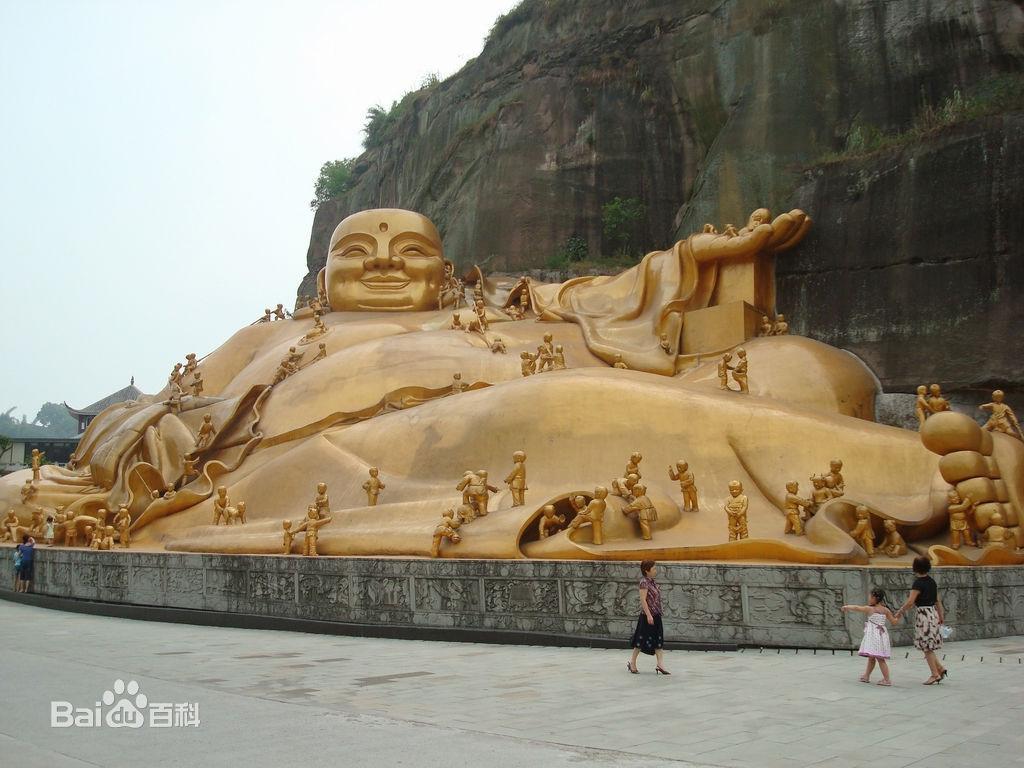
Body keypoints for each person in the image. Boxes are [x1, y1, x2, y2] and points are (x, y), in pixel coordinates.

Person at [895, 556, 947, 685]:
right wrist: (941, 616)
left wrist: (900, 611)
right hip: (932, 613)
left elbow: (910, 601)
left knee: (926, 647)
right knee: (928, 645)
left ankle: (934, 674)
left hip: (923, 615)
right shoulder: (932, 582)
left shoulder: (918, 583)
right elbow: (937, 601)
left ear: (915, 567)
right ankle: (940, 668)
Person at [842, 588, 899, 686]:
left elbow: (857, 608)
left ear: (875, 598)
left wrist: (847, 607)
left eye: (870, 596)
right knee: (872, 656)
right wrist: (899, 615)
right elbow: (894, 622)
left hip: (874, 636)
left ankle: (887, 679)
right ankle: (866, 676)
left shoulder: (870, 609)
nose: (869, 598)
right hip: (882, 635)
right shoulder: (886, 610)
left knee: (880, 658)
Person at [628, 560, 669, 675]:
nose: (656, 570)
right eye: (654, 568)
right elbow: (643, 600)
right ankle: (632, 663)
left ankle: (660, 665)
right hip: (647, 616)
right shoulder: (644, 583)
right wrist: (649, 615)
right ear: (647, 570)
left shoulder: (652, 582)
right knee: (640, 640)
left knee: (658, 641)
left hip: (656, 615)